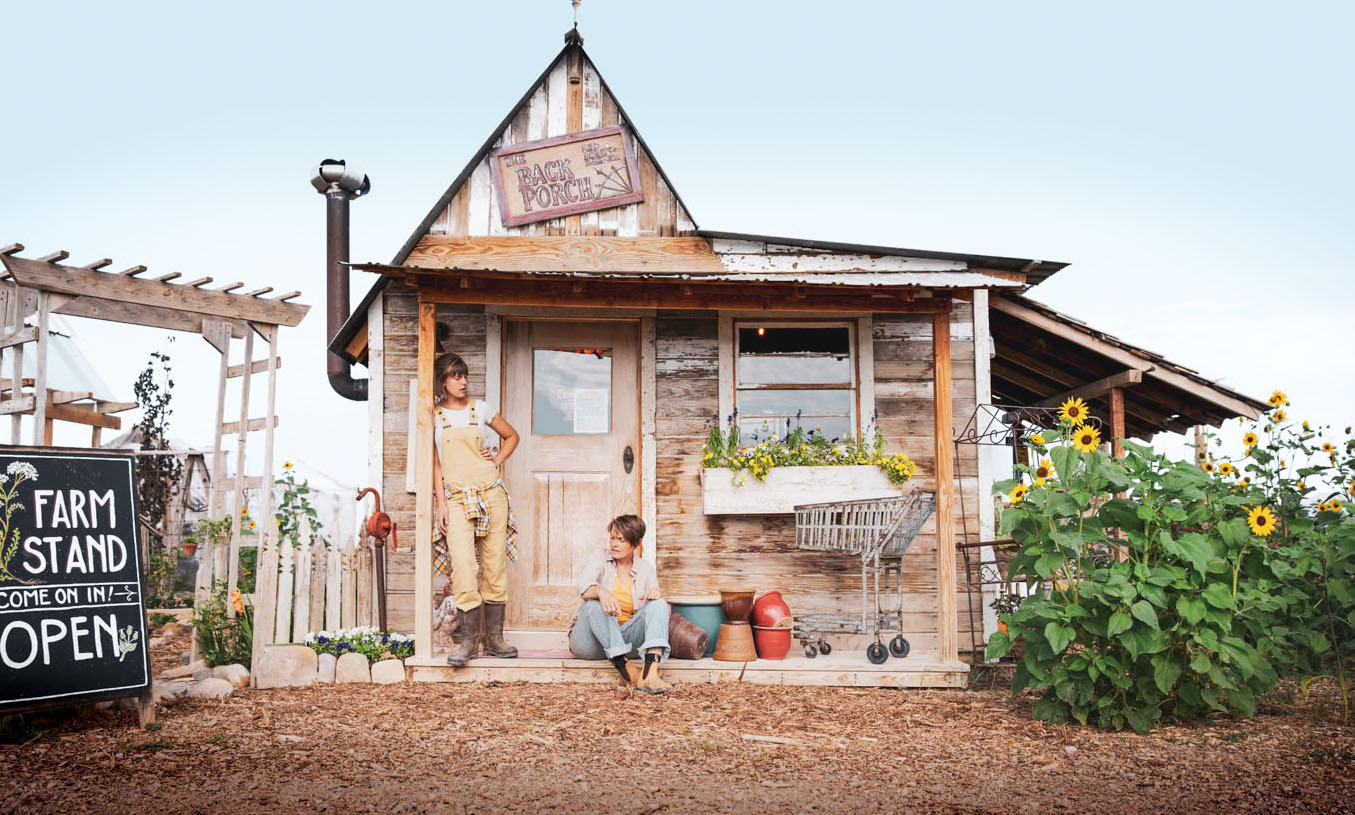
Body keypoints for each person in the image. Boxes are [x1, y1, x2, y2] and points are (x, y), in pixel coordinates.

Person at [432, 352, 521, 667]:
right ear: (442, 381)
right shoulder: (433, 417)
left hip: (491, 494)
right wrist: (441, 504)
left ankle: (494, 640)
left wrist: (495, 459)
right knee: (465, 567)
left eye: (464, 375)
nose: (463, 381)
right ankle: (468, 642)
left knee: (494, 565)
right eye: (456, 376)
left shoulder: (480, 409)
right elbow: (435, 464)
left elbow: (512, 436)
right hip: (457, 498)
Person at [568, 514, 671, 694]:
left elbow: (655, 610)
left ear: (636, 543)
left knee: (659, 603)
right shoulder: (600, 557)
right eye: (613, 538)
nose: (614, 544)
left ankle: (649, 674)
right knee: (593, 604)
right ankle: (627, 671)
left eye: (621, 540)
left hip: (626, 642)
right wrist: (601, 592)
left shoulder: (645, 569)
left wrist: (654, 595)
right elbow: (583, 587)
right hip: (590, 643)